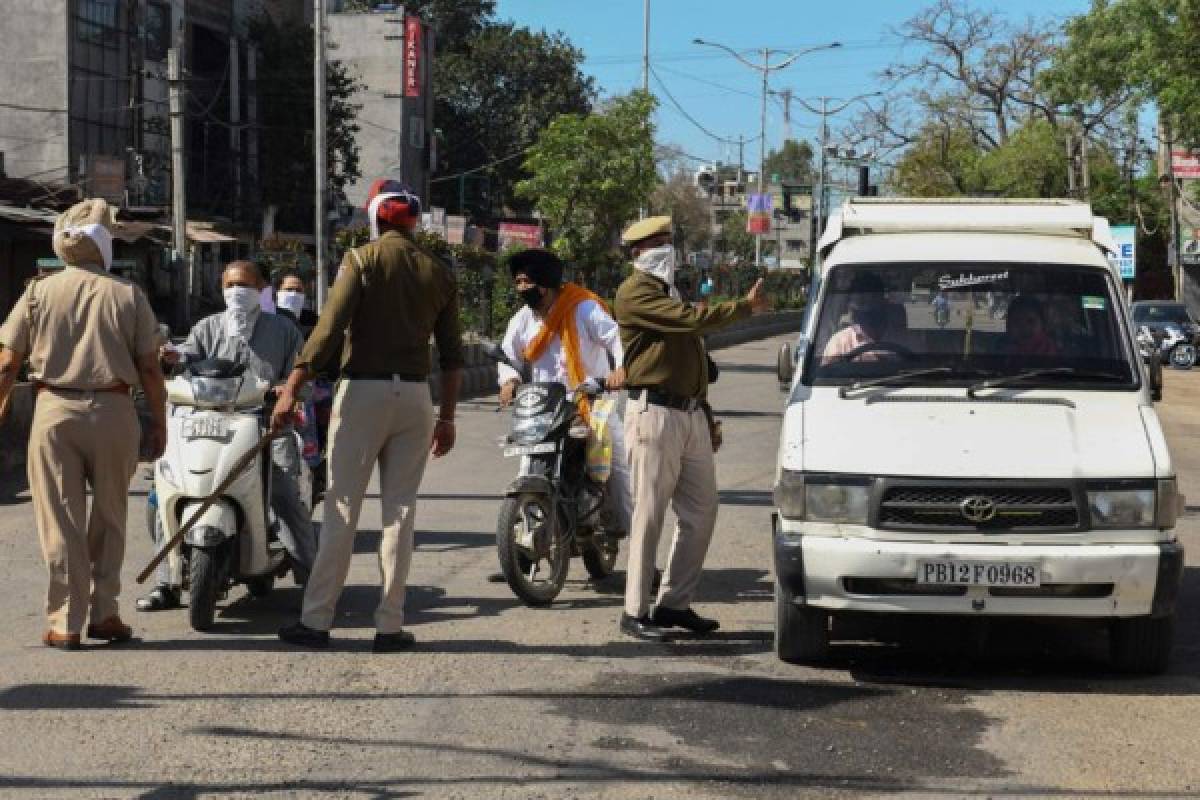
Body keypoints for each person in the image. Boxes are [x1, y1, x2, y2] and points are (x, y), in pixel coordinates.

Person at [272, 179, 464, 653]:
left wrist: (292, 389)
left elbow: (329, 329)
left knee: (341, 509)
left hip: (363, 393)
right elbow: (454, 356)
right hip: (417, 398)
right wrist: (448, 417)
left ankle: (317, 622)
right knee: (400, 513)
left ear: (376, 219)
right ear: (413, 223)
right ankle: (390, 627)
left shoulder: (361, 259)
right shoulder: (439, 272)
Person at [0, 198, 167, 649]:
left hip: (53, 411)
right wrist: (161, 423)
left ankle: (65, 623)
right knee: (111, 514)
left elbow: (7, 363)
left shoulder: (37, 291)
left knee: (60, 520)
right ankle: (106, 614)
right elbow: (150, 369)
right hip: (115, 412)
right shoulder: (128, 294)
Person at [614, 215, 770, 641]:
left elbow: (693, 355)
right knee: (649, 515)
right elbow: (691, 321)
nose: (667, 249)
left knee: (701, 511)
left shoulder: (668, 290)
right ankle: (634, 611)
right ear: (638, 253)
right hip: (655, 413)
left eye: (669, 240)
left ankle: (673, 604)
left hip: (689, 413)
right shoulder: (635, 294)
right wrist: (743, 307)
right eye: (658, 243)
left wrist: (704, 412)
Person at [136, 260, 314, 612]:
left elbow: (301, 374)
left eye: (245, 285)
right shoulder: (206, 328)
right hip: (207, 427)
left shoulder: (283, 331)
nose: (237, 292)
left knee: (284, 495)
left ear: (263, 288)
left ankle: (313, 580)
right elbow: (184, 360)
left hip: (266, 427)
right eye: (231, 285)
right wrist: (169, 357)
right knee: (163, 493)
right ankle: (166, 584)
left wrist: (286, 392)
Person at [497, 248, 630, 538]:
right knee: (526, 468)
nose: (521, 289)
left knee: (617, 464)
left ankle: (628, 538)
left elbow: (616, 338)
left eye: (526, 282)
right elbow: (508, 357)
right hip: (543, 408)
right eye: (517, 282)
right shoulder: (522, 319)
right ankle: (520, 551)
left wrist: (619, 369)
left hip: (590, 402)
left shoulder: (583, 308)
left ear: (544, 284)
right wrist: (509, 380)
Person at [820, 273, 894, 365]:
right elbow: (827, 375)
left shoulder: (908, 340)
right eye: (861, 303)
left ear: (884, 304)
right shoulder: (840, 343)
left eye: (873, 302)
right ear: (851, 308)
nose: (867, 309)